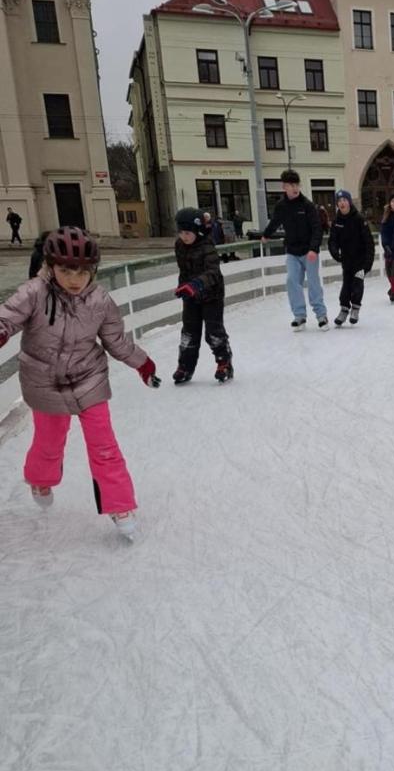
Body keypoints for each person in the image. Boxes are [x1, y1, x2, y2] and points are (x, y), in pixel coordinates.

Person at [0, 226, 159, 540]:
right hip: (44, 382)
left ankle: (120, 505)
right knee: (49, 443)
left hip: (89, 379)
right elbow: (8, 316)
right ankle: (40, 479)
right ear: (50, 267)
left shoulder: (100, 300)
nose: (75, 279)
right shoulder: (34, 292)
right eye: (66, 270)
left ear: (93, 270)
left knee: (105, 446)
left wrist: (143, 363)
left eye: (83, 272)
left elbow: (116, 341)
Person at [172, 207, 233, 384]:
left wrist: (196, 285)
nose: (184, 237)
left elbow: (213, 272)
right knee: (189, 332)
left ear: (197, 230)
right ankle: (185, 367)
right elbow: (184, 270)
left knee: (213, 332)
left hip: (211, 295)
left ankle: (224, 363)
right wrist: (182, 287)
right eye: (181, 232)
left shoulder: (207, 246)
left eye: (188, 233)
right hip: (191, 295)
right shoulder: (180, 245)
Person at [263, 168, 328, 330]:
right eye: (291, 185)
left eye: (296, 184)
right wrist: (266, 235)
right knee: (292, 281)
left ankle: (321, 315)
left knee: (313, 283)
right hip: (292, 251)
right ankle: (299, 316)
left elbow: (317, 228)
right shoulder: (281, 206)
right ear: (284, 187)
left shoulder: (307, 205)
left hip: (309, 251)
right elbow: (275, 222)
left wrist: (313, 249)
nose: (295, 188)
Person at [328, 190, 375, 325]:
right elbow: (333, 241)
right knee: (346, 286)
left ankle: (355, 308)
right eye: (339, 201)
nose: (342, 203)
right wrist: (335, 253)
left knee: (357, 285)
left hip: (360, 261)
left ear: (349, 202)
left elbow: (369, 242)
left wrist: (367, 264)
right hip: (346, 260)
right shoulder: (336, 221)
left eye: (344, 200)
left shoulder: (359, 219)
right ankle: (344, 309)